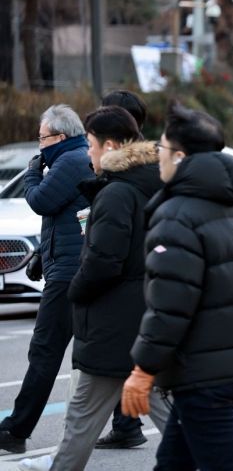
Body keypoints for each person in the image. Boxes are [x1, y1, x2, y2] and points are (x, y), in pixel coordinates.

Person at [121, 102, 233, 470]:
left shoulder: (176, 215)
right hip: (229, 368)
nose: (157, 158)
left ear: (180, 157)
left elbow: (170, 304)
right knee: (173, 463)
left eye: (161, 150)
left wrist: (142, 370)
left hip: (200, 372)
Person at [18, 106, 169, 471]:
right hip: (141, 319)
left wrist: (77, 291)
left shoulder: (117, 193)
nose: (88, 154)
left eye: (90, 145)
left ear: (111, 144)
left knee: (79, 427)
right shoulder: (152, 183)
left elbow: (104, 260)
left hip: (111, 322)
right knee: (173, 418)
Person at [0, 105, 94, 453]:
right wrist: (42, 253)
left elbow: (40, 201)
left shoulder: (69, 161)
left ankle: (16, 429)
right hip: (71, 266)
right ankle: (126, 422)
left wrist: (32, 172)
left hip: (68, 274)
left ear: (60, 136)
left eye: (42, 138)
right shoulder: (73, 158)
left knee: (45, 350)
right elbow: (62, 216)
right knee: (92, 349)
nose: (40, 146)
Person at [94, 89, 151, 450]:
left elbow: (111, 242)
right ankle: (128, 423)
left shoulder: (125, 170)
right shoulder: (149, 162)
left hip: (129, 274)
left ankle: (128, 424)